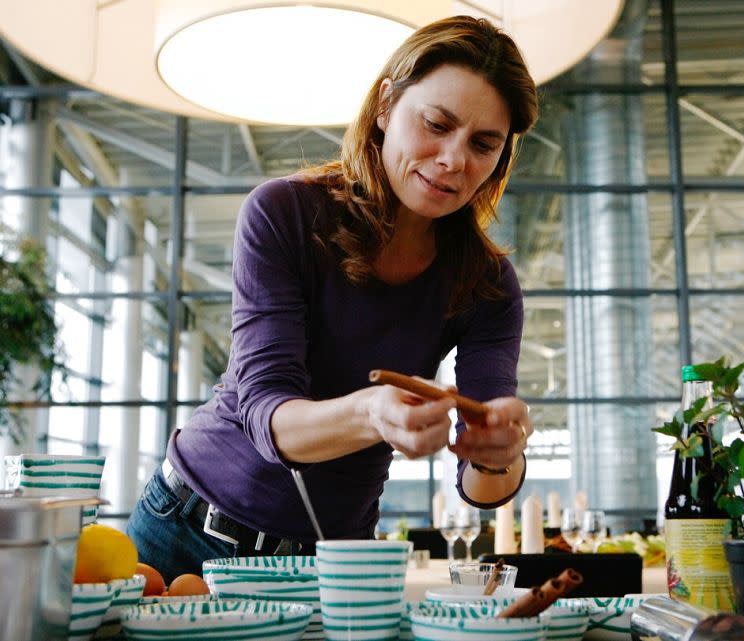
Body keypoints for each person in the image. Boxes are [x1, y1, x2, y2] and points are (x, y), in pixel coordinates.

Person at [127, 14, 539, 582]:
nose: (453, 159)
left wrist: (501, 450)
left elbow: (482, 489)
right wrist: (373, 413)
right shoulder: (284, 214)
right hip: (188, 529)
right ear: (386, 105)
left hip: (330, 558)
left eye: (483, 144)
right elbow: (267, 419)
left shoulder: (488, 283)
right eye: (437, 124)